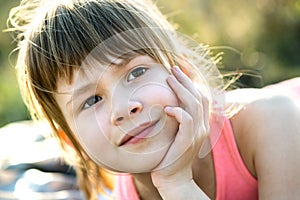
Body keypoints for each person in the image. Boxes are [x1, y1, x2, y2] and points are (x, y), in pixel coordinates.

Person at [7, 0, 300, 199]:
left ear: (185, 71)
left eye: (136, 72)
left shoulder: (271, 120)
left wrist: (178, 184)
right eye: (92, 100)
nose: (124, 108)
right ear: (72, 143)